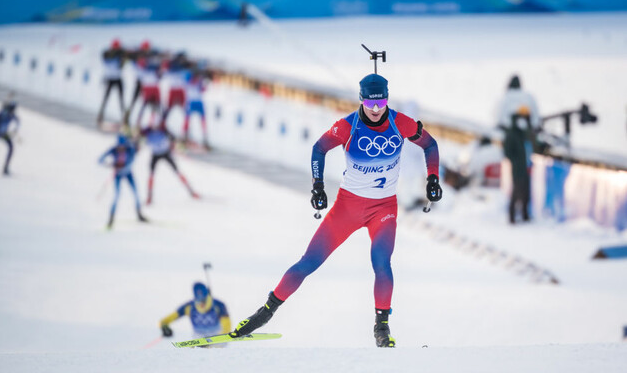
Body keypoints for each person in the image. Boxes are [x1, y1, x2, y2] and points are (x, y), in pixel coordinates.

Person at [229, 73, 442, 348]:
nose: (376, 111)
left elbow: (430, 144)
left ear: (387, 100)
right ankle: (264, 313)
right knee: (308, 262)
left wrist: (433, 177)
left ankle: (382, 326)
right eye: (370, 104)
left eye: (382, 104)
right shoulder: (347, 127)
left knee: (381, 264)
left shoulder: (400, 122)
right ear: (361, 100)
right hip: (347, 207)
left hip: (384, 209)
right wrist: (317, 186)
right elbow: (319, 149)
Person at [137, 122, 200, 205]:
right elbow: (139, 138)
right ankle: (149, 197)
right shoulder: (147, 132)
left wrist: (175, 145)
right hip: (155, 154)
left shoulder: (163, 129)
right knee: (151, 175)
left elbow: (173, 138)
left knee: (177, 172)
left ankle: (191, 191)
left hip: (165, 152)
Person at [98, 133, 147, 229]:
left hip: (128, 174)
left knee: (136, 194)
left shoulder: (130, 150)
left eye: (123, 146)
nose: (121, 148)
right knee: (116, 196)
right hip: (118, 175)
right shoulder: (114, 150)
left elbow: (131, 162)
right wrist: (110, 164)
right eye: (120, 146)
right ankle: (111, 219)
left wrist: (122, 166)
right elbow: (100, 160)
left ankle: (139, 214)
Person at [159, 282, 231, 338]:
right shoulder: (189, 307)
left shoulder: (218, 305)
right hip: (198, 338)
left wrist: (214, 339)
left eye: (204, 301)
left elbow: (227, 326)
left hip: (218, 338)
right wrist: (164, 327)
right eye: (199, 301)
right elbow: (168, 319)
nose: (201, 304)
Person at [503, 112, 534, 224]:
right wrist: (516, 161)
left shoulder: (523, 133)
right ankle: (512, 217)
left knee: (526, 192)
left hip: (527, 167)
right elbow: (507, 152)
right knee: (516, 192)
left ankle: (525, 215)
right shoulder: (512, 134)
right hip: (518, 168)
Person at [96, 39, 127, 127]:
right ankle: (100, 115)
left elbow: (122, 66)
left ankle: (124, 118)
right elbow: (106, 57)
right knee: (106, 98)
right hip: (110, 78)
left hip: (117, 78)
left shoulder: (120, 55)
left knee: (121, 99)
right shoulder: (107, 54)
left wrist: (123, 57)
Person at [184, 60, 211, 149]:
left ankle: (205, 138)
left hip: (199, 101)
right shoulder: (189, 75)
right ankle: (185, 136)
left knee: (203, 119)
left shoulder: (200, 78)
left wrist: (204, 84)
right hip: (191, 101)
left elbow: (202, 89)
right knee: (188, 118)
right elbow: (189, 82)